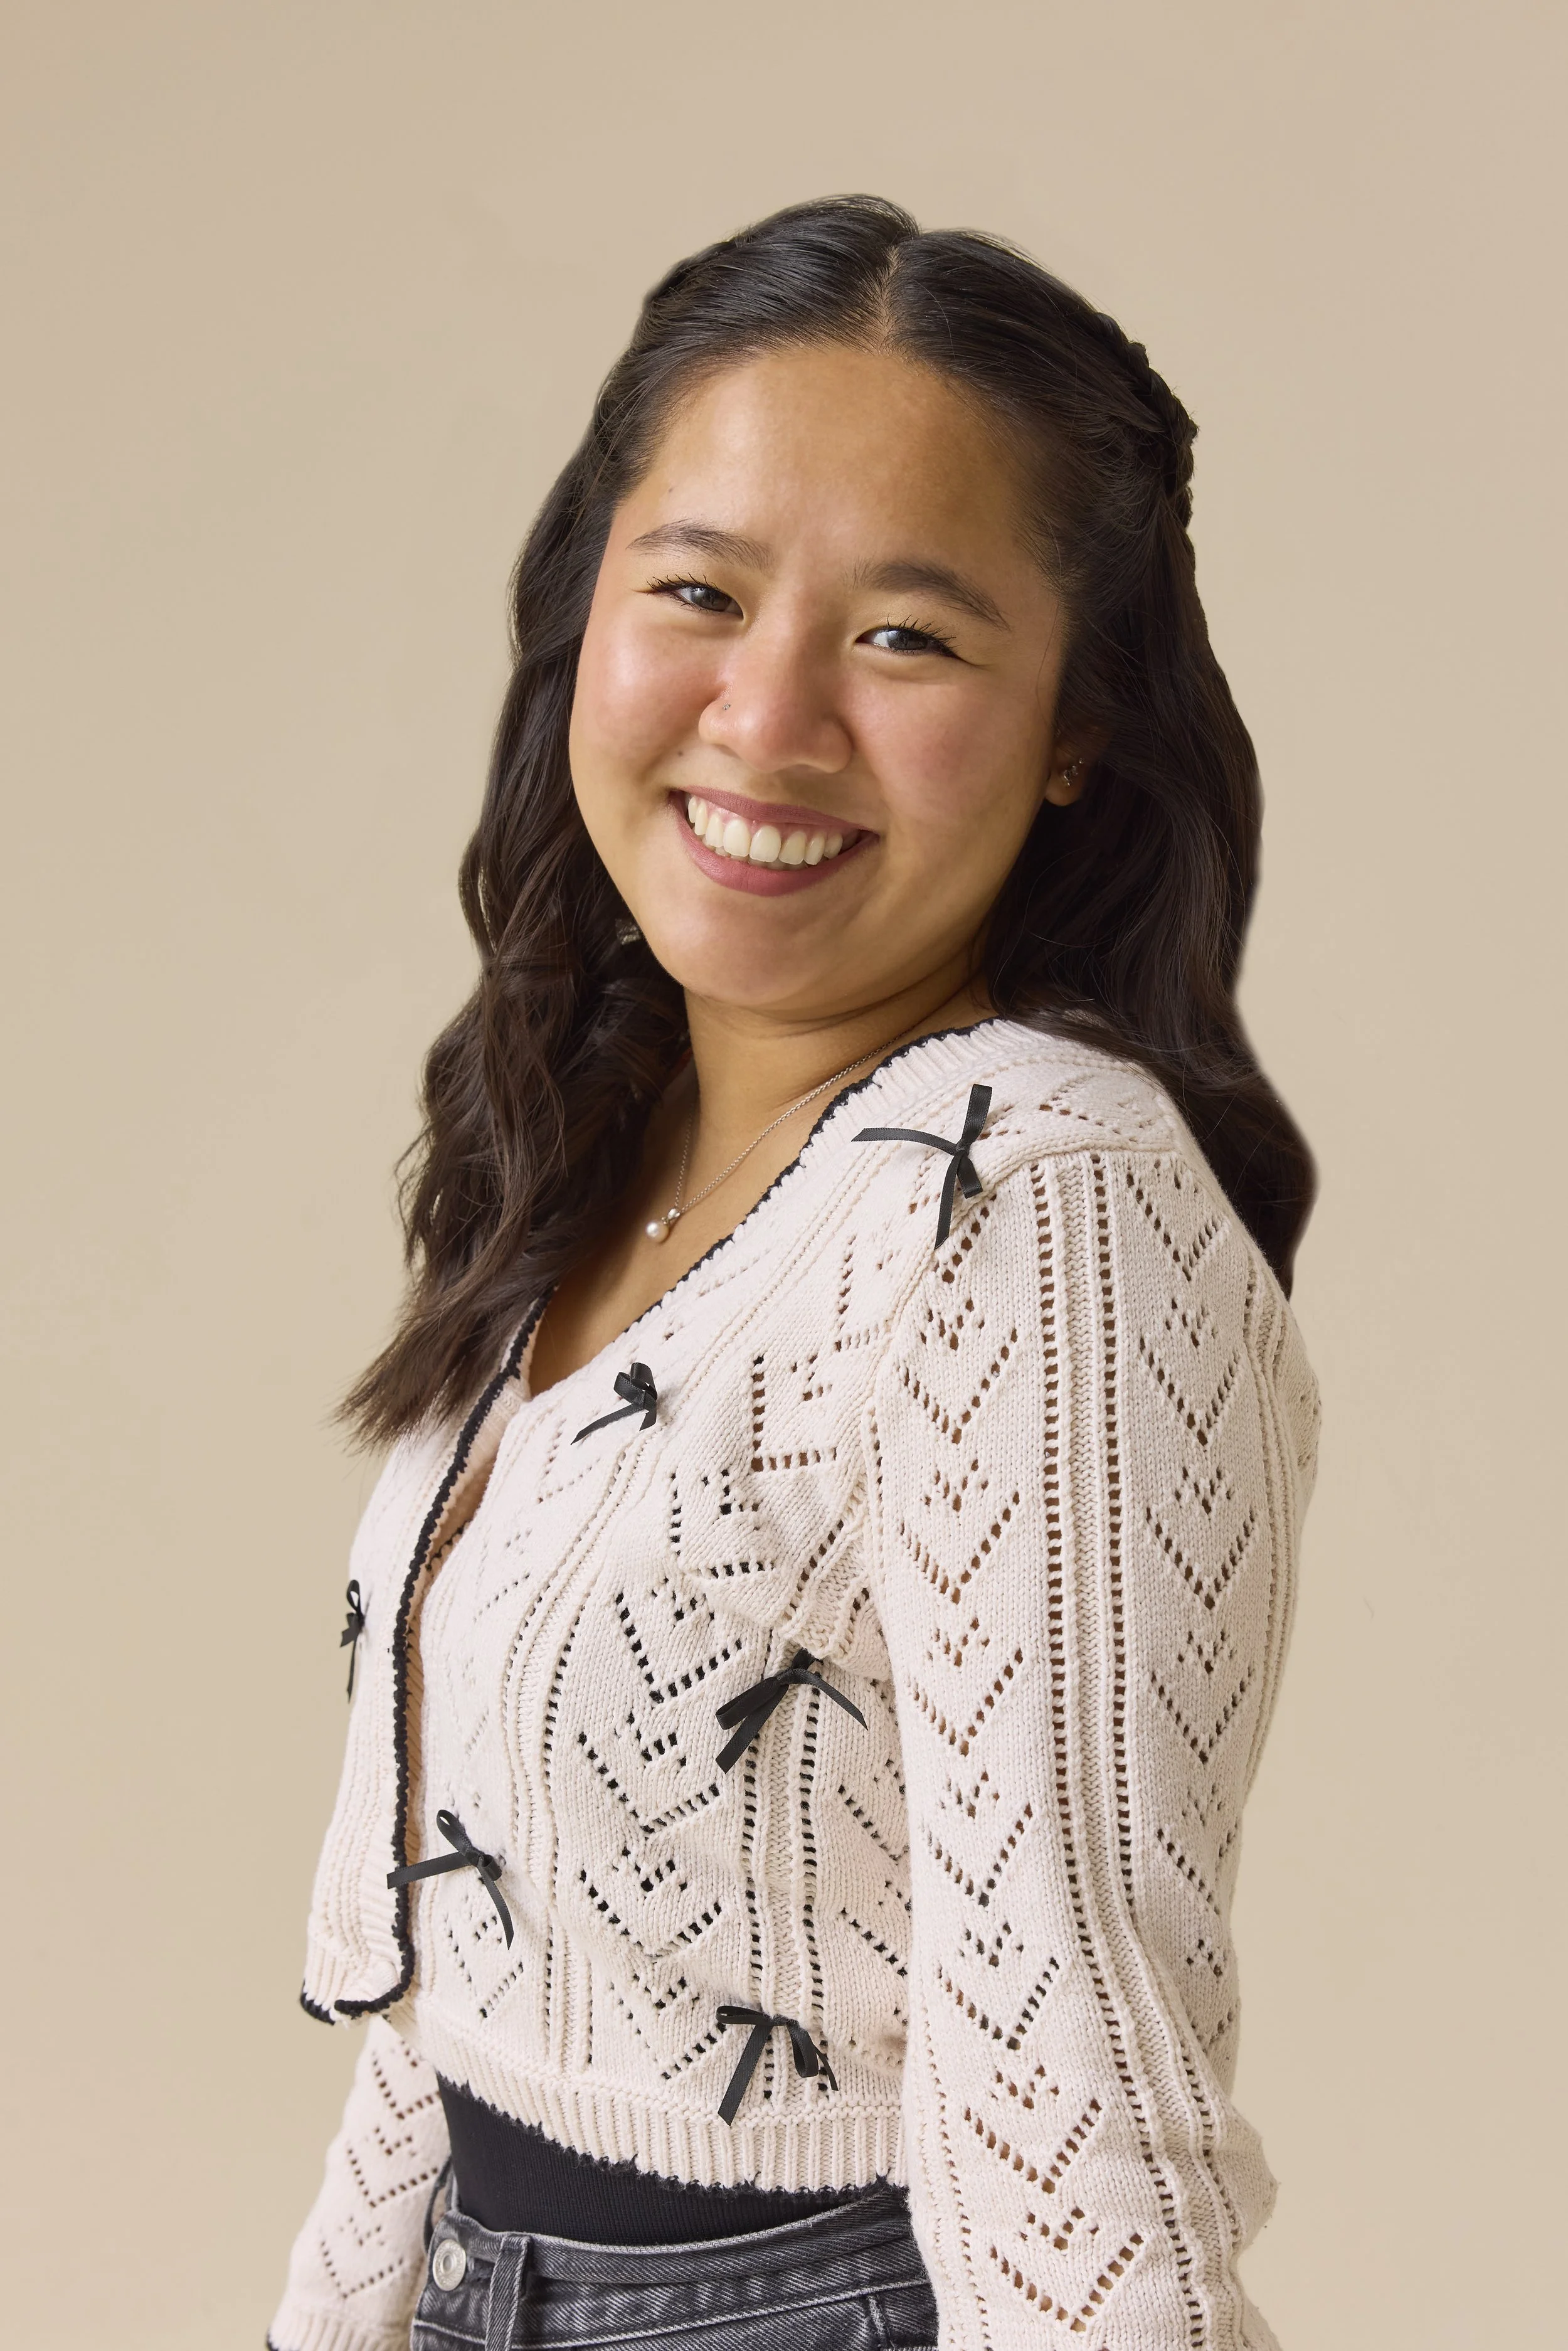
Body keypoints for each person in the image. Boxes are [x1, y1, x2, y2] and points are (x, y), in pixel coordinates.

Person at [269, 195, 1319, 2351]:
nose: (767, 716)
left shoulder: (1030, 1195)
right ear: (586, 617)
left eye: (907, 637)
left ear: (1074, 729)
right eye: (697, 592)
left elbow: (1077, 2082)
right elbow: (478, 1975)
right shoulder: (604, 1144)